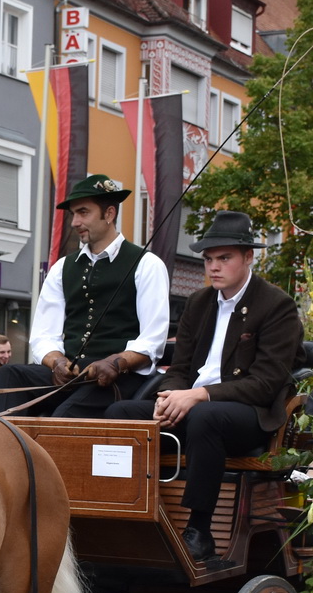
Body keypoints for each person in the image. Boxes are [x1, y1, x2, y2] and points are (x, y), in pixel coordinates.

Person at [103, 210, 302, 567]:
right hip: (193, 404)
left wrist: (199, 395)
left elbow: (265, 383)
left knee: (204, 417)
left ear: (248, 258)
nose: (214, 267)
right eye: (209, 259)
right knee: (120, 414)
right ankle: (124, 514)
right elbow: (178, 368)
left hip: (247, 414)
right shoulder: (198, 302)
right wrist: (170, 396)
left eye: (224, 258)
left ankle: (199, 530)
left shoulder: (276, 305)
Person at [0, 174, 169, 418]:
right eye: (73, 214)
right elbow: (43, 336)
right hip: (74, 374)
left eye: (83, 212)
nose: (75, 222)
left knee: (63, 417)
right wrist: (57, 362)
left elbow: (152, 340)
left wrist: (115, 362)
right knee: (10, 375)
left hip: (118, 378)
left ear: (109, 214)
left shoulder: (147, 264)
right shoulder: (62, 268)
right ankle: (6, 452)